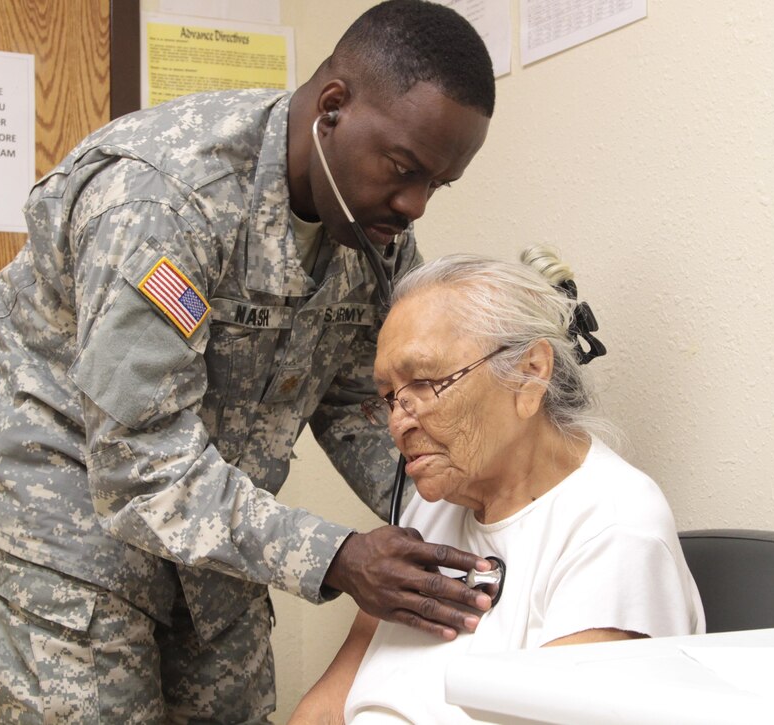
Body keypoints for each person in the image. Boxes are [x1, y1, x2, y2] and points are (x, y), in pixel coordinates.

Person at [0, 1, 498, 721]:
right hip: (58, 504)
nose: (414, 205)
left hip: (205, 499)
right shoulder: (160, 200)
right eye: (404, 168)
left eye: (436, 185)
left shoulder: (371, 230)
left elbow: (357, 401)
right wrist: (339, 555)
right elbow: (140, 466)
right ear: (333, 107)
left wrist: (463, 495)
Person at [291, 247, 705, 724]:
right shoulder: (432, 506)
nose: (397, 424)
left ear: (530, 374)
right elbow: (327, 707)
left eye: (424, 383)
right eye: (388, 397)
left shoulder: (614, 529)